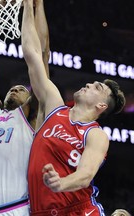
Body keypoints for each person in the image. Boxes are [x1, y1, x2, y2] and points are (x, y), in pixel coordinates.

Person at [21, 0, 126, 215]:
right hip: (40, 211)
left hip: (78, 210)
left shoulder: (96, 134)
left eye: (97, 87)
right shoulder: (54, 106)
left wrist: (60, 183)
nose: (88, 84)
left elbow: (86, 174)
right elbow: (33, 55)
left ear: (101, 105)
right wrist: (28, 8)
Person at [0, 0, 50, 215]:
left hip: (15, 209)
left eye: (22, 89)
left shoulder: (31, 115)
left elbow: (42, 56)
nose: (15, 89)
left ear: (30, 97)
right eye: (12, 88)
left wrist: (37, 7)